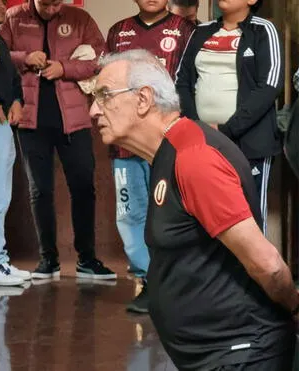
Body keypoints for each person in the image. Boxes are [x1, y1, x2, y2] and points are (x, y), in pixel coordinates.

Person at [91, 49, 297, 370]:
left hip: (241, 355)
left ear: (144, 99)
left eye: (104, 96)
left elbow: (268, 265)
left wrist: (295, 308)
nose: (93, 110)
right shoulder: (167, 154)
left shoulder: (194, 156)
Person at [0, 0, 116, 280]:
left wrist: (64, 68)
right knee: (40, 190)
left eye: (56, 2)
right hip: (31, 120)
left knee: (83, 188)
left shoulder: (80, 18)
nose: (52, 7)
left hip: (73, 120)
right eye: (45, 3)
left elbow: (100, 59)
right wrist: (24, 58)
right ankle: (47, 260)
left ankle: (87, 259)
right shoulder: (14, 18)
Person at [106, 0, 194, 313]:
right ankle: (149, 281)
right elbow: (107, 85)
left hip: (166, 142)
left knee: (171, 213)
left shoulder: (186, 29)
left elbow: (189, 85)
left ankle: (175, 284)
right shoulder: (119, 31)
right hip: (125, 144)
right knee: (130, 214)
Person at [176, 0, 281, 235]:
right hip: (203, 142)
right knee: (206, 213)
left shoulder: (263, 30)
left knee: (249, 214)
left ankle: (250, 273)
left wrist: (225, 131)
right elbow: (181, 81)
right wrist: (198, 127)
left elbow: (269, 86)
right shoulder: (201, 32)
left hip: (250, 143)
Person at [0, 0, 31, 287]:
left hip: (4, 122)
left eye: (2, 1)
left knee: (3, 195)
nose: (1, 5)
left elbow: (11, 80)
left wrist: (17, 100)